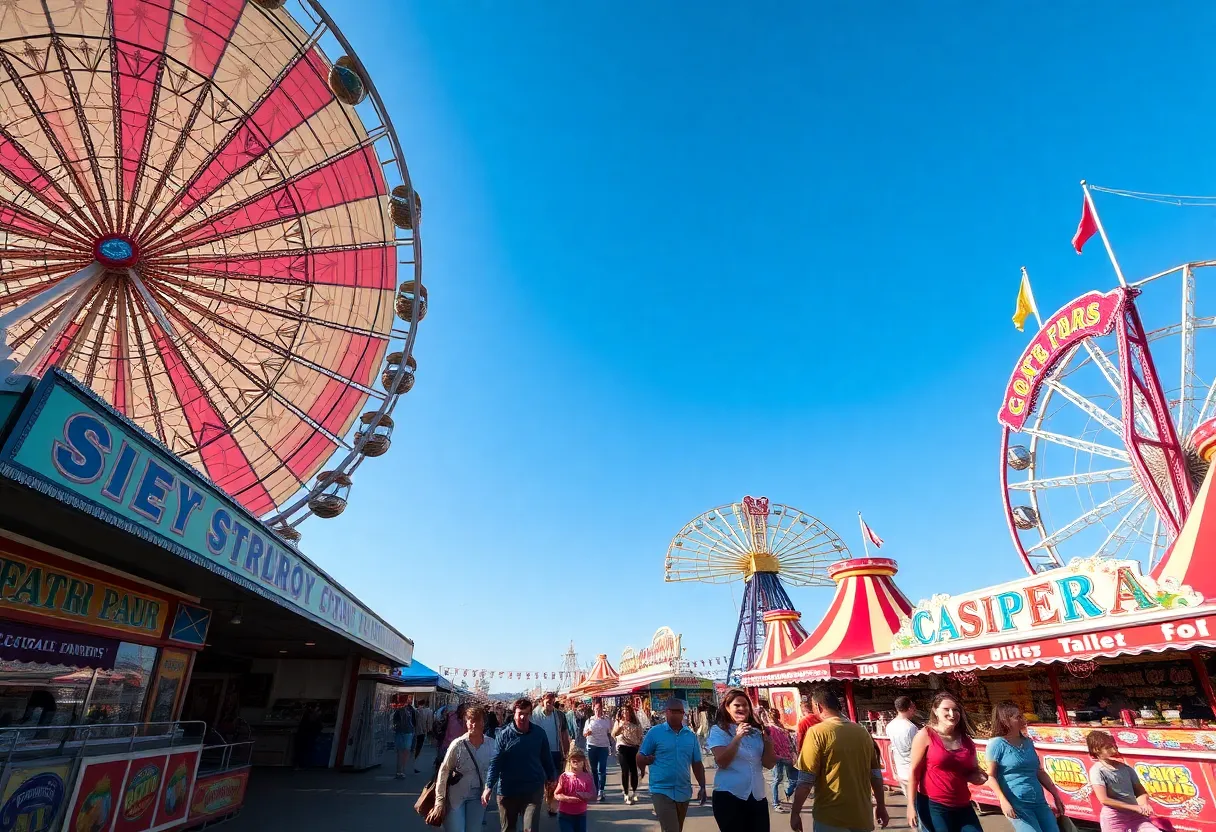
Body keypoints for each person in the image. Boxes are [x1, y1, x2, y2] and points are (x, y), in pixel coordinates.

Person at [790, 688, 888, 832]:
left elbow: (806, 780)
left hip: (831, 818)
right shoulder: (862, 732)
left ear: (818, 706)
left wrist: (795, 812)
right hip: (862, 816)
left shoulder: (817, 732)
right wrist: (881, 806)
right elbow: (876, 775)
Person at [907, 692, 987, 832]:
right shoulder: (925, 735)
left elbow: (973, 770)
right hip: (934, 805)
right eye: (946, 709)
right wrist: (911, 806)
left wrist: (979, 777)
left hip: (962, 803)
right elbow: (914, 773)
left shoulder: (966, 740)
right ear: (935, 711)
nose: (952, 713)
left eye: (956, 709)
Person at [986, 701, 1065, 832]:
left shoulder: (1027, 742)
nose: (1023, 719)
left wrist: (1056, 795)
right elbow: (991, 776)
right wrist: (1003, 801)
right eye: (1018, 717)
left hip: (1039, 801)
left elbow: (1039, 772)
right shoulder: (997, 744)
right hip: (1017, 804)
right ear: (1005, 721)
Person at [483, 698, 557, 832]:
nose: (523, 717)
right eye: (519, 713)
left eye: (526, 714)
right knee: (508, 829)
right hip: (508, 791)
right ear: (514, 714)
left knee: (530, 829)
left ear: (530, 715)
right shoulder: (504, 735)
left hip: (532, 790)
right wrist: (489, 786)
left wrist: (552, 777)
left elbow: (546, 758)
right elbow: (496, 762)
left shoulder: (539, 734)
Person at [708, 688, 775, 831]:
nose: (742, 708)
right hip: (729, 796)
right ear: (727, 708)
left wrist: (769, 744)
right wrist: (737, 738)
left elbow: (769, 764)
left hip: (757, 796)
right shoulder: (719, 731)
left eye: (745, 705)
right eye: (737, 705)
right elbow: (722, 762)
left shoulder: (756, 732)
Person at [637, 698, 707, 832]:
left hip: (683, 791)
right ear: (666, 712)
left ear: (683, 713)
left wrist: (703, 786)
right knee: (672, 829)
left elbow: (697, 763)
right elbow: (640, 756)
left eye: (679, 711)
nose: (675, 714)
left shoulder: (690, 736)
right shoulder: (655, 733)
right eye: (672, 711)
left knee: (676, 828)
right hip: (661, 790)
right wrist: (644, 763)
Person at [433, 704, 494, 832]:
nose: (474, 725)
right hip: (456, 796)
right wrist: (439, 801)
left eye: (477, 721)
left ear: (484, 722)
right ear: (466, 723)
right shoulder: (458, 744)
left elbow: (496, 770)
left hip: (478, 797)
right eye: (470, 722)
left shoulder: (491, 745)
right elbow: (444, 772)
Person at [1086, 730, 1156, 832]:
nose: (1114, 749)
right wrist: (1135, 808)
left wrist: (1143, 805)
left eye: (1114, 745)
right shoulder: (1097, 771)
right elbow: (1104, 799)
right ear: (1096, 749)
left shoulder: (1126, 768)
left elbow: (1140, 791)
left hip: (1136, 817)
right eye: (1108, 747)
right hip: (1114, 818)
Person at [533, 692, 572, 816]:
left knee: (554, 779)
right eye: (548, 700)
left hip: (556, 751)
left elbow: (564, 732)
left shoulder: (559, 715)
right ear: (542, 700)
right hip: (541, 752)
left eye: (552, 700)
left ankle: (552, 805)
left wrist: (566, 750)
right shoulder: (535, 715)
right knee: (544, 779)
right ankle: (546, 798)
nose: (550, 703)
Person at [553, 746, 597, 832]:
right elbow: (556, 794)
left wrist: (586, 795)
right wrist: (567, 798)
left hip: (581, 814)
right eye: (574, 761)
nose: (576, 763)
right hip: (565, 814)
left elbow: (594, 796)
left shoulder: (588, 777)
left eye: (579, 760)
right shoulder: (564, 777)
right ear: (569, 762)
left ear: (584, 761)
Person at [885, 696, 920, 795]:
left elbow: (890, 749)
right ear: (909, 708)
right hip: (912, 770)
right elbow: (916, 750)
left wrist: (894, 772)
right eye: (913, 707)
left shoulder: (890, 726)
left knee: (910, 801)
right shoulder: (911, 728)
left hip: (900, 771)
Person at [612, 703, 645, 803]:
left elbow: (640, 735)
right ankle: (626, 793)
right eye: (623, 711)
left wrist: (638, 745)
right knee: (625, 770)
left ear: (630, 712)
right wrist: (620, 727)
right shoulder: (619, 722)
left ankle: (634, 792)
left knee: (633, 770)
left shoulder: (636, 722)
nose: (625, 712)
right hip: (622, 747)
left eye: (627, 710)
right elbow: (613, 734)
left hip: (633, 747)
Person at [766, 707, 797, 812]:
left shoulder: (780, 726)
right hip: (778, 757)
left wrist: (792, 752)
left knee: (792, 778)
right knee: (777, 779)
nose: (775, 717)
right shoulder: (769, 728)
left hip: (786, 756)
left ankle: (786, 793)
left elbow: (788, 741)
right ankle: (776, 803)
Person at [582, 699, 613, 801]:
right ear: (593, 709)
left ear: (602, 710)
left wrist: (612, 745)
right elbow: (584, 734)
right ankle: (596, 788)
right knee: (594, 770)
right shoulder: (589, 721)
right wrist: (587, 733)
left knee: (602, 769)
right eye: (596, 709)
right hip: (592, 746)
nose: (598, 711)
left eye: (599, 709)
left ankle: (601, 790)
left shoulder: (607, 720)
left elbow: (610, 733)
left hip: (603, 747)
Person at [438, 703, 468, 772]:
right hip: (447, 744)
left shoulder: (464, 720)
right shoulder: (451, 716)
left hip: (458, 746)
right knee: (444, 766)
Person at [393, 697, 416, 779]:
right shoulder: (409, 710)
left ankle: (400, 770)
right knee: (404, 751)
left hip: (403, 732)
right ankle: (401, 770)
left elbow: (394, 721)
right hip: (407, 732)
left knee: (401, 751)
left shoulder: (409, 710)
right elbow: (414, 722)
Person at [294, 703, 322, 770]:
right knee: (306, 750)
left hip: (303, 734)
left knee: (300, 750)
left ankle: (298, 765)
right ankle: (302, 765)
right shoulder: (313, 715)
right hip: (308, 735)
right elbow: (318, 725)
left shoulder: (307, 714)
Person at [794, 696, 821, 760]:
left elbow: (800, 739)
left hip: (810, 751)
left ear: (802, 709)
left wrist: (799, 753)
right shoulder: (819, 718)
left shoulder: (803, 721)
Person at [414, 698, 435, 773]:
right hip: (421, 731)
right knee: (418, 747)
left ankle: (413, 760)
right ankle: (415, 761)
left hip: (414, 731)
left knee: (415, 746)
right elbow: (428, 722)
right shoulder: (428, 711)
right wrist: (429, 730)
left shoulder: (415, 710)